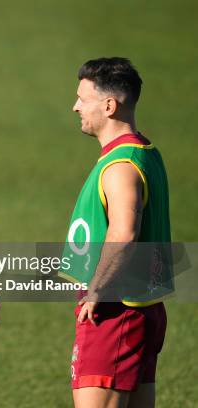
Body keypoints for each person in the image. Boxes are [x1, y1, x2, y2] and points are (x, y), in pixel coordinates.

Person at [63, 57, 172, 408]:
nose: (76, 106)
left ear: (109, 106)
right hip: (139, 309)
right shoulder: (145, 153)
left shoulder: (120, 166)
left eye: (83, 98)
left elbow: (124, 234)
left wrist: (96, 290)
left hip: (115, 311)